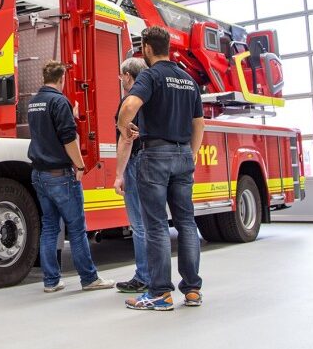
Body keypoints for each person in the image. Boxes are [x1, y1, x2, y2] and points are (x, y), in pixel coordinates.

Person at [117, 26, 205, 311]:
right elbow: (198, 123)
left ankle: (160, 293)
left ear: (147, 48)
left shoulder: (151, 75)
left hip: (155, 156)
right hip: (182, 156)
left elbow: (130, 105)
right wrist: (190, 153)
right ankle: (192, 290)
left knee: (155, 226)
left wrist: (123, 126)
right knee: (187, 223)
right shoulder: (187, 79)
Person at [27, 61, 113, 293]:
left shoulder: (33, 102)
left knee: (49, 227)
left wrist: (69, 114)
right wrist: (80, 165)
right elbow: (67, 138)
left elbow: (47, 131)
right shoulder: (59, 101)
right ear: (61, 79)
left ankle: (51, 281)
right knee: (76, 228)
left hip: (39, 174)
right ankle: (89, 278)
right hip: (60, 175)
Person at [113, 57, 149, 294]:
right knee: (153, 223)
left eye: (121, 76)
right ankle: (157, 275)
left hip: (136, 163)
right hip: (155, 162)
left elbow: (126, 139)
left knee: (139, 225)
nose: (120, 80)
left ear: (128, 76)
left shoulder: (129, 102)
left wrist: (118, 174)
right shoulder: (152, 98)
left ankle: (143, 276)